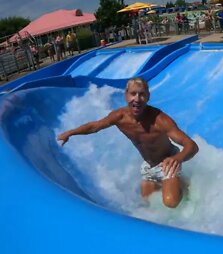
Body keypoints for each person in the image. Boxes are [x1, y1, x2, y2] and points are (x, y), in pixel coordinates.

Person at [57, 77, 199, 208]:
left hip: (167, 163)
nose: (137, 99)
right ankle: (172, 184)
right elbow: (95, 126)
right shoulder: (119, 117)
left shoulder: (160, 120)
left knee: (170, 203)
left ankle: (184, 184)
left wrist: (177, 159)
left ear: (148, 96)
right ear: (126, 95)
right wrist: (70, 133)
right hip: (148, 166)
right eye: (133, 94)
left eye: (142, 94)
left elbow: (192, 145)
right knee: (149, 205)